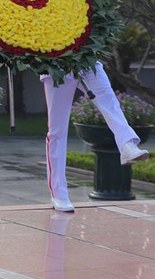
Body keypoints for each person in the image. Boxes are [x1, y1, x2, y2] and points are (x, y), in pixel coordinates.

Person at [42, 61, 149, 212]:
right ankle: (58, 194)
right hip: (55, 64)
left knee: (109, 101)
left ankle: (127, 145)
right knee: (57, 130)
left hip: (88, 60)